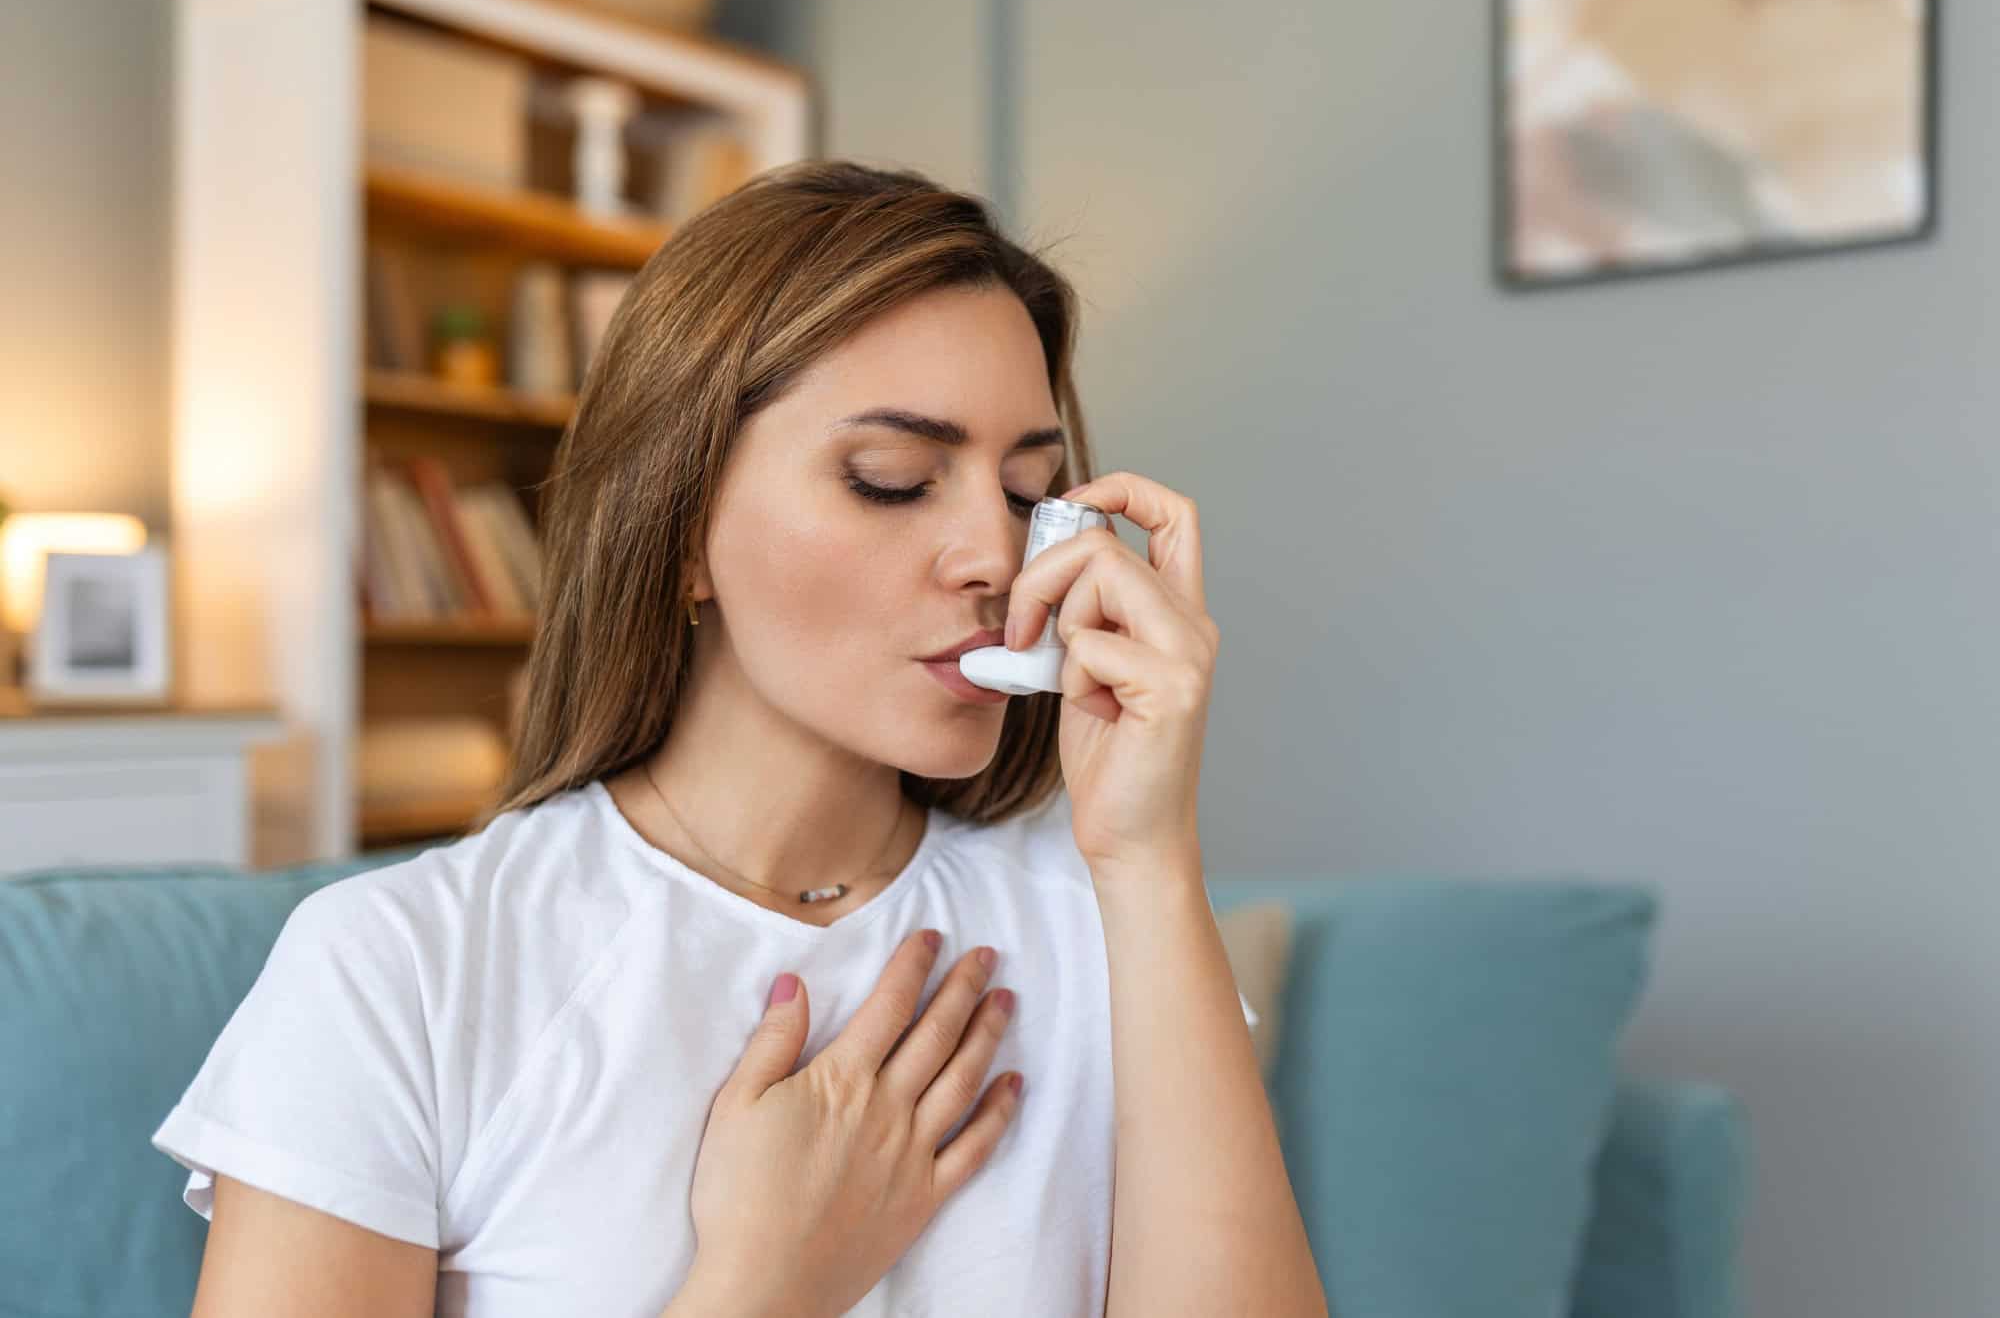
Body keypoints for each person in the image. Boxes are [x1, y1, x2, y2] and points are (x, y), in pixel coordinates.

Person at [151, 160, 1324, 1317]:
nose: (995, 554)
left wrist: (1147, 857)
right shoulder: (403, 967)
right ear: (679, 532)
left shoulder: (1107, 924)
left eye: (1028, 494)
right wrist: (768, 1282)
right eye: (893, 479)